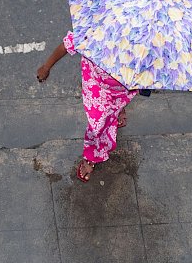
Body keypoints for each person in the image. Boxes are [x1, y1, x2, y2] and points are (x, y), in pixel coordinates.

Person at [36, 33, 137, 182]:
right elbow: (66, 45)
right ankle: (93, 155)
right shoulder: (96, 31)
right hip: (99, 91)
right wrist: (46, 67)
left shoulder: (139, 40)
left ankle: (117, 112)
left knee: (106, 118)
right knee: (98, 125)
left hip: (121, 90)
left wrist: (46, 67)